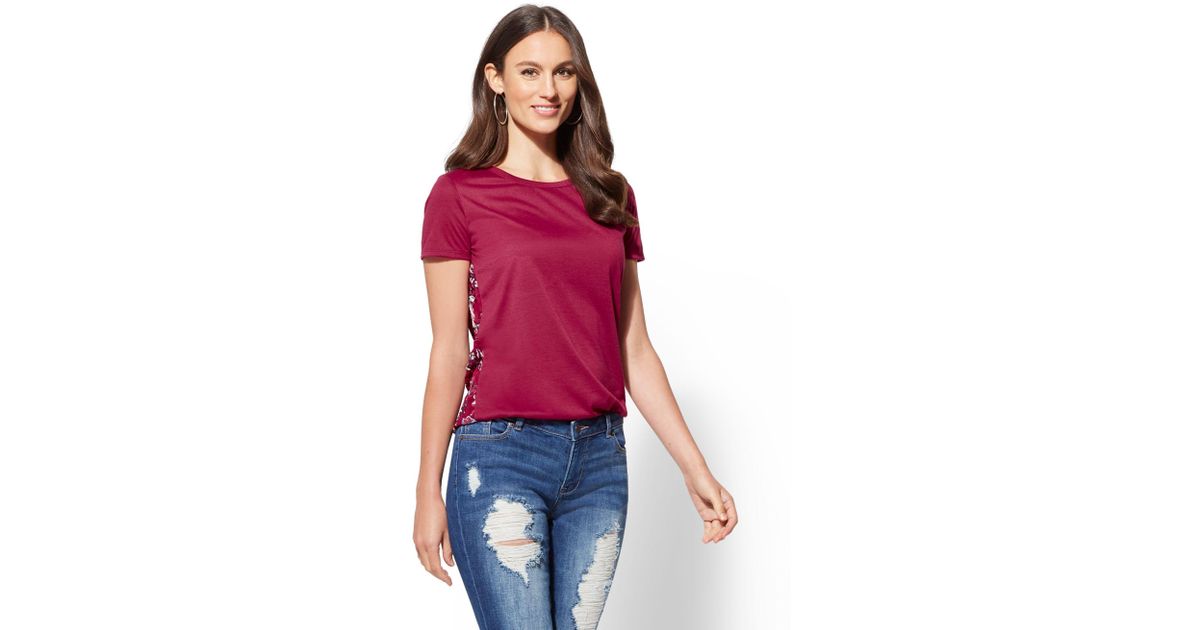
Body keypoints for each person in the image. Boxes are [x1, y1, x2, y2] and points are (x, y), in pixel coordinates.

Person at [413, 5, 738, 628]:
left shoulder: (610, 195)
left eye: (563, 72)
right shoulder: (458, 196)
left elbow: (633, 348)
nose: (549, 89)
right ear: (495, 79)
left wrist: (696, 471)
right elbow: (449, 349)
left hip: (598, 463)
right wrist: (428, 490)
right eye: (529, 71)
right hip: (500, 456)